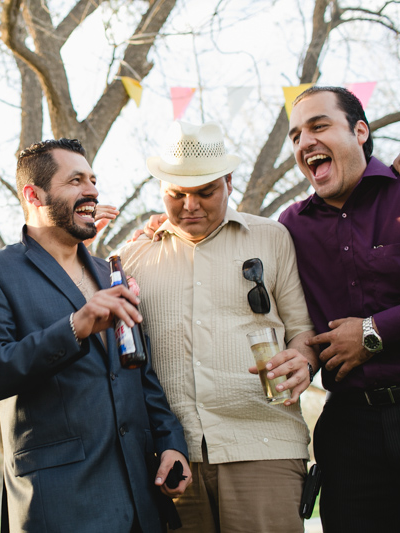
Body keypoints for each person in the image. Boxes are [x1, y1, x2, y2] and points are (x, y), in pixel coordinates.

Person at [0, 138, 190, 533]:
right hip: (59, 506)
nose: (93, 191)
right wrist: (74, 328)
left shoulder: (110, 274)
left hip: (142, 499)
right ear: (34, 194)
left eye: (93, 180)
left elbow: (141, 373)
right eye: (76, 181)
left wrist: (172, 442)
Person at [117, 120, 319, 533]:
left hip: (264, 446)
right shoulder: (132, 258)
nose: (190, 205)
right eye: (177, 194)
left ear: (229, 182)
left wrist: (302, 360)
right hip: (171, 459)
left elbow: (302, 330)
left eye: (204, 192)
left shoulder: (273, 238)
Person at [279, 86, 400, 532]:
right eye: (296, 135)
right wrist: (164, 224)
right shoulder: (289, 227)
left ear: (360, 131)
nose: (305, 142)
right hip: (349, 433)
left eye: (319, 126)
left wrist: (376, 331)